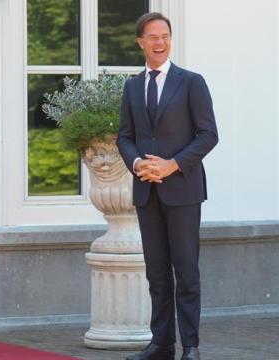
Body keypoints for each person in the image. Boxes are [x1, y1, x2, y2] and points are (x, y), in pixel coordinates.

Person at [116, 12, 218, 360]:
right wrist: (137, 163)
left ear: (170, 40)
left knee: (186, 271)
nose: (160, 42)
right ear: (140, 42)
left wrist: (172, 165)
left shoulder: (191, 82)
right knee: (156, 273)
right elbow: (125, 137)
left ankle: (190, 346)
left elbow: (208, 135)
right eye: (153, 37)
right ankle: (161, 344)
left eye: (165, 36)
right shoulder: (132, 86)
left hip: (183, 190)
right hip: (147, 191)